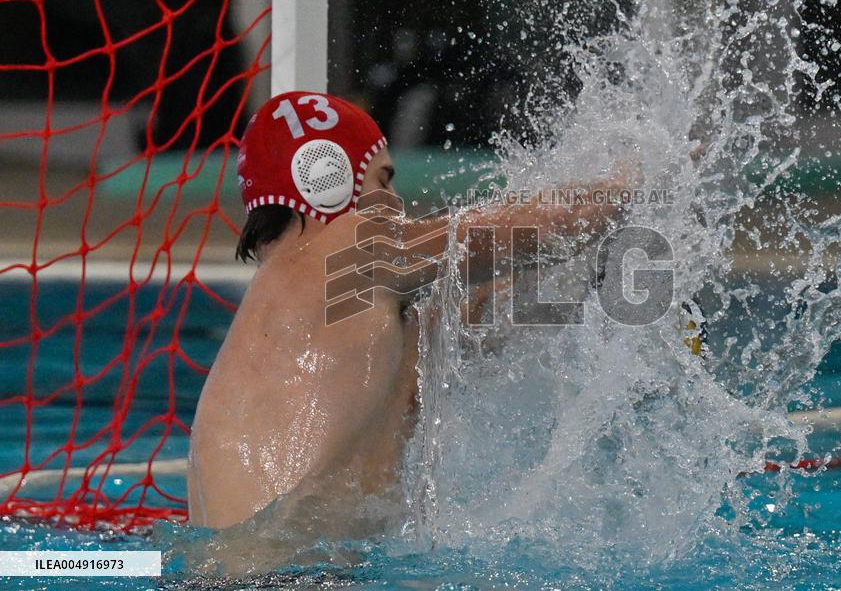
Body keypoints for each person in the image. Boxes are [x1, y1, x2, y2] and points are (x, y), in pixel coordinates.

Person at [186, 91, 635, 536]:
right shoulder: (350, 247)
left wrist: (600, 268)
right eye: (382, 180)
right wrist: (633, 183)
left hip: (254, 574)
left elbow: (474, 318)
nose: (396, 202)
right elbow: (548, 223)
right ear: (325, 179)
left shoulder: (310, 309)